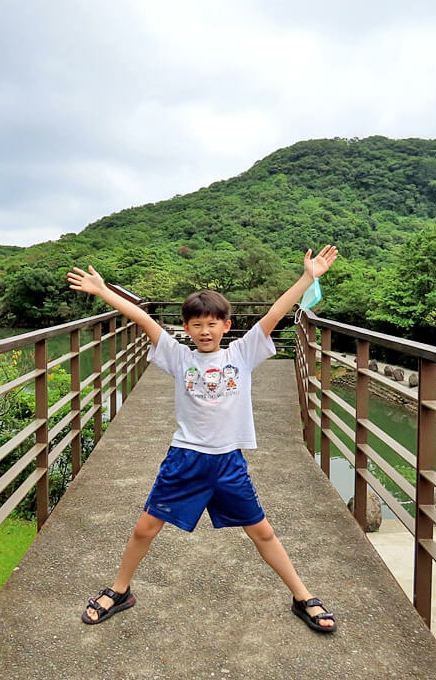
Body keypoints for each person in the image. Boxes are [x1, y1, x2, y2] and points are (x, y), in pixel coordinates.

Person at [66, 245, 339, 632]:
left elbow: (276, 313)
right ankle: (120, 590)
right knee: (145, 527)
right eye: (197, 325)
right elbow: (143, 319)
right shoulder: (179, 357)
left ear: (226, 326)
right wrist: (103, 292)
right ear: (187, 328)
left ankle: (302, 597)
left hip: (228, 461)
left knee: (262, 531)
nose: (205, 331)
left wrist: (309, 277)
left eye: (212, 324)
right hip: (185, 459)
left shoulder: (242, 354)